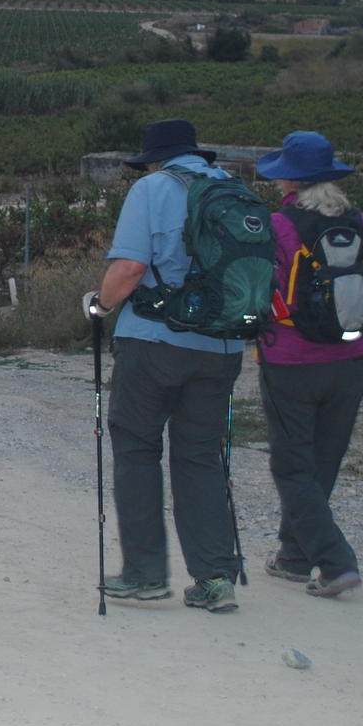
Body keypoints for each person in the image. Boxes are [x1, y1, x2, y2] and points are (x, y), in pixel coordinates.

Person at [89, 118, 247, 614]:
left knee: (136, 447)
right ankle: (215, 578)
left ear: (154, 158)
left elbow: (130, 268)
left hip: (155, 342)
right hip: (222, 346)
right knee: (199, 456)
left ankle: (145, 573)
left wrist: (100, 305)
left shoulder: (151, 188)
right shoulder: (233, 189)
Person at [255, 130, 363, 599]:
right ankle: (295, 557)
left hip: (290, 359)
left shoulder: (278, 226)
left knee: (292, 466)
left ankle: (335, 563)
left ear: (290, 181)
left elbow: (259, 293)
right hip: (352, 359)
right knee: (322, 461)